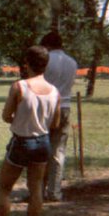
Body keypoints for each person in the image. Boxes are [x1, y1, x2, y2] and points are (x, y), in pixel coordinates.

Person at [0, 46, 60, 216]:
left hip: (21, 142)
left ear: (27, 63)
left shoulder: (19, 87)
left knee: (4, 188)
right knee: (36, 188)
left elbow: (6, 116)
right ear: (46, 65)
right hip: (43, 143)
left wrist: (20, 121)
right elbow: (54, 123)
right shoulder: (55, 91)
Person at [40, 32, 78, 202]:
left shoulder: (45, 60)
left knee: (40, 149)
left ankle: (38, 190)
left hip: (46, 107)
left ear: (47, 45)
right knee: (58, 150)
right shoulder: (72, 62)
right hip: (65, 106)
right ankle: (54, 191)